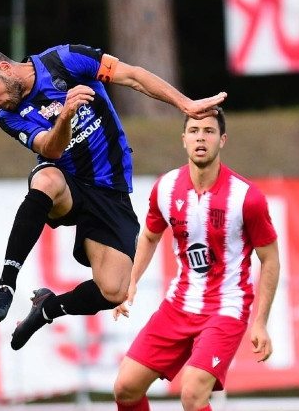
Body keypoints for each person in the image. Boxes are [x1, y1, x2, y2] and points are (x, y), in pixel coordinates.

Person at [0, 46, 227, 350]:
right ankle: (6, 284)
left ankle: (46, 308)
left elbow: (134, 76)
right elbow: (51, 149)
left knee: (114, 290)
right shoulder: (9, 117)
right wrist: (66, 116)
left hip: (109, 188)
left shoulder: (67, 60)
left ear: (5, 68)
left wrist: (185, 104)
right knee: (46, 180)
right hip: (67, 186)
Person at [111, 107, 279, 411]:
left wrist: (261, 323)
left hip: (226, 308)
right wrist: (131, 282)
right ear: (184, 139)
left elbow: (270, 260)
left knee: (192, 393)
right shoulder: (165, 188)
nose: (201, 138)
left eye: (209, 131)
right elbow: (149, 236)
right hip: (179, 304)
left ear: (222, 140)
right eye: (194, 131)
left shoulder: (246, 197)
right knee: (125, 388)